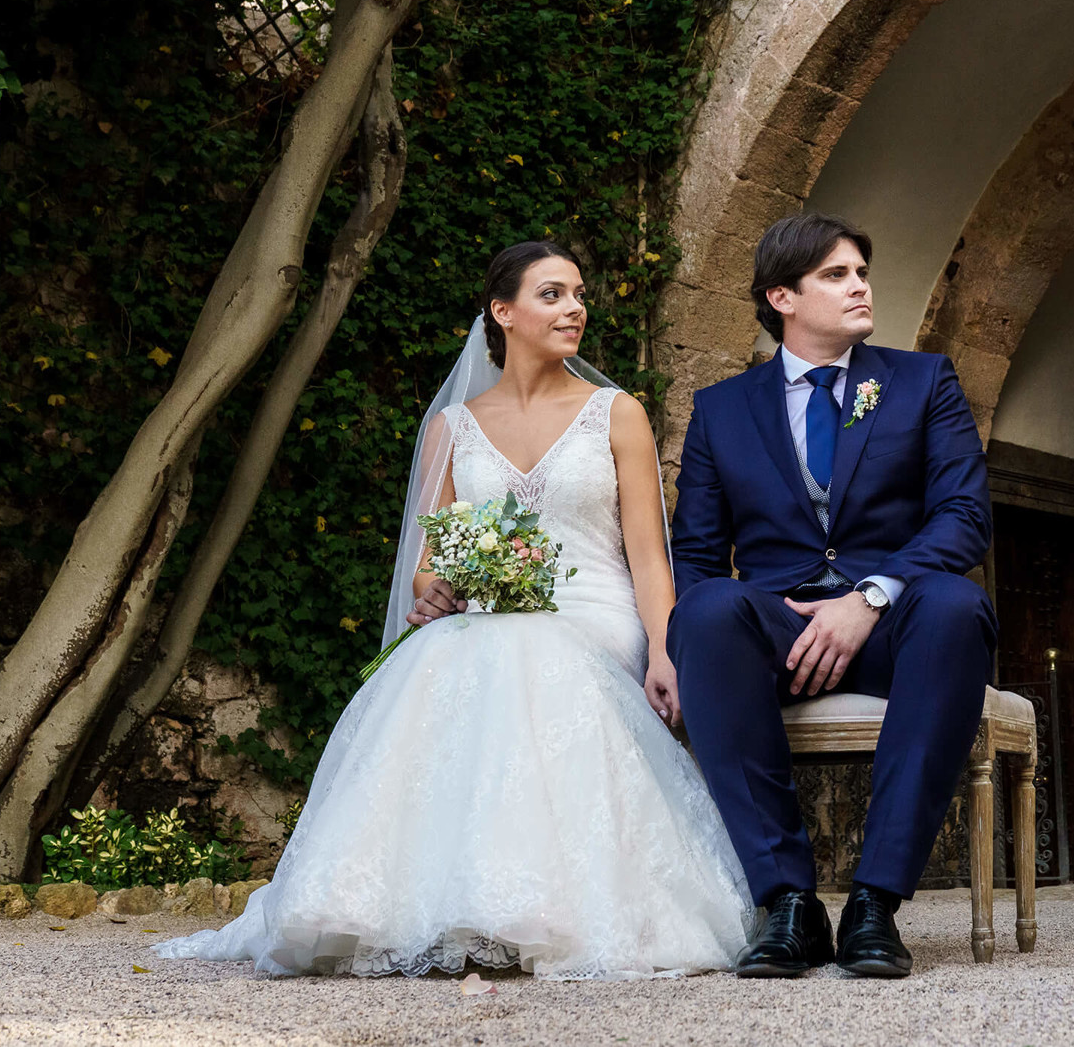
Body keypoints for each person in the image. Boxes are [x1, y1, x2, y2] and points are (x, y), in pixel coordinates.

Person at [153, 242, 753, 979]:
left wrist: (665, 652)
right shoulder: (452, 429)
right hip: (489, 617)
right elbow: (429, 569)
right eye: (554, 295)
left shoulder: (615, 414)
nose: (576, 309)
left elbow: (650, 559)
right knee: (439, 655)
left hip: (596, 613)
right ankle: (412, 903)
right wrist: (432, 591)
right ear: (503, 313)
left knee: (529, 655)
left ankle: (543, 909)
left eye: (579, 295)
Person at [666, 212, 997, 979]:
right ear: (782, 296)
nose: (860, 286)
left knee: (953, 605)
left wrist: (871, 597)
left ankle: (876, 903)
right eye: (836, 275)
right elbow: (698, 550)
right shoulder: (722, 408)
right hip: (778, 626)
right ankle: (787, 903)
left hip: (894, 623)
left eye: (861, 272)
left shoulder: (921, 382)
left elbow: (962, 517)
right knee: (707, 610)